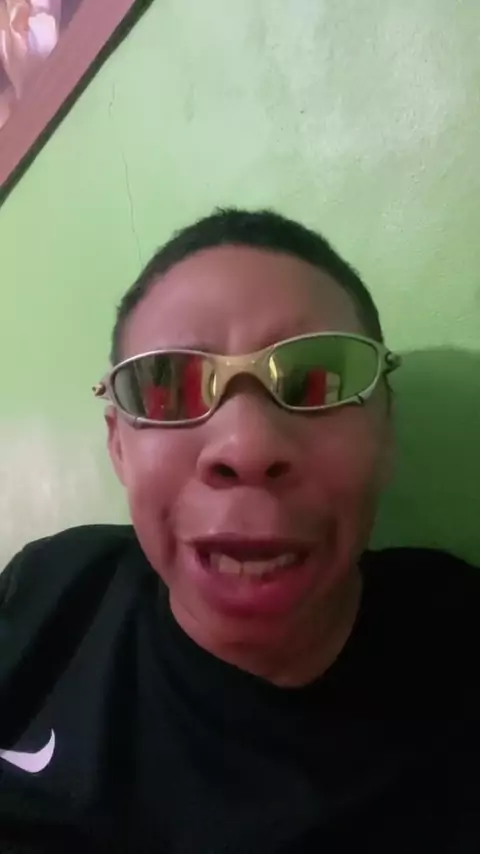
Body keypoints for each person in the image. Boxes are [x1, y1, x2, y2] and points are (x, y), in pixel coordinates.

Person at [0, 208, 478, 853]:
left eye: (317, 379)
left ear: (386, 429)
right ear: (118, 446)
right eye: (168, 386)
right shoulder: (48, 589)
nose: (247, 447)